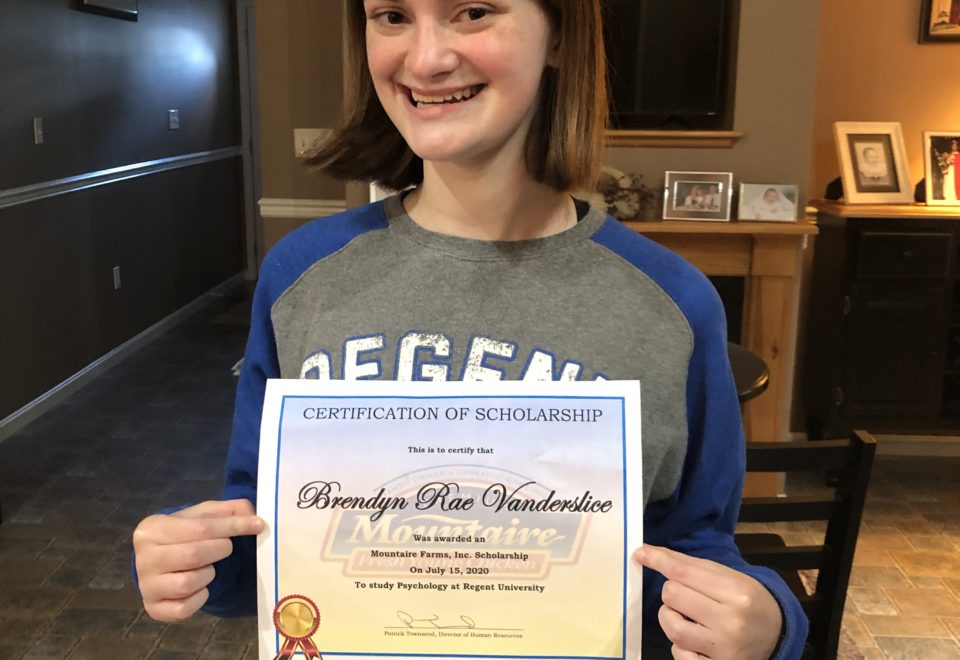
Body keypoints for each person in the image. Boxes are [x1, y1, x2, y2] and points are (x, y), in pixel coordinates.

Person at [132, 1, 807, 658]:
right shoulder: (300, 274)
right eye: (392, 16)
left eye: (473, 12)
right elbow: (263, 523)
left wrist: (769, 624)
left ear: (560, 34)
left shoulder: (674, 303)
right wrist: (199, 561)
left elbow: (698, 550)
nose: (426, 59)